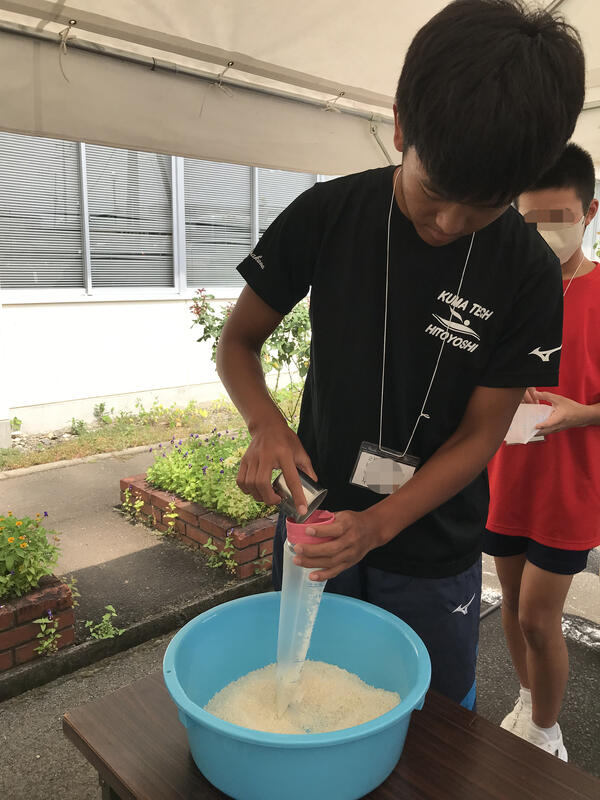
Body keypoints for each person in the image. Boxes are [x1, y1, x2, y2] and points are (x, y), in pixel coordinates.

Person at [216, 0, 585, 709]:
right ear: (399, 125)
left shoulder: (527, 272)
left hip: (433, 542)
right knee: (298, 696)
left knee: (433, 720)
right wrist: (266, 424)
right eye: (435, 191)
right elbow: (238, 342)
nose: (448, 222)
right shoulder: (328, 214)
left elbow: (481, 434)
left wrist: (379, 525)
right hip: (317, 511)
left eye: (482, 207)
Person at [485, 143, 599, 760]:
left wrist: (580, 412)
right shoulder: (505, 290)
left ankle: (548, 731)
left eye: (559, 219)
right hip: (505, 475)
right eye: (529, 222)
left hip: (570, 485)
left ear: (590, 212)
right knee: (511, 604)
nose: (543, 234)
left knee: (536, 615)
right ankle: (529, 699)